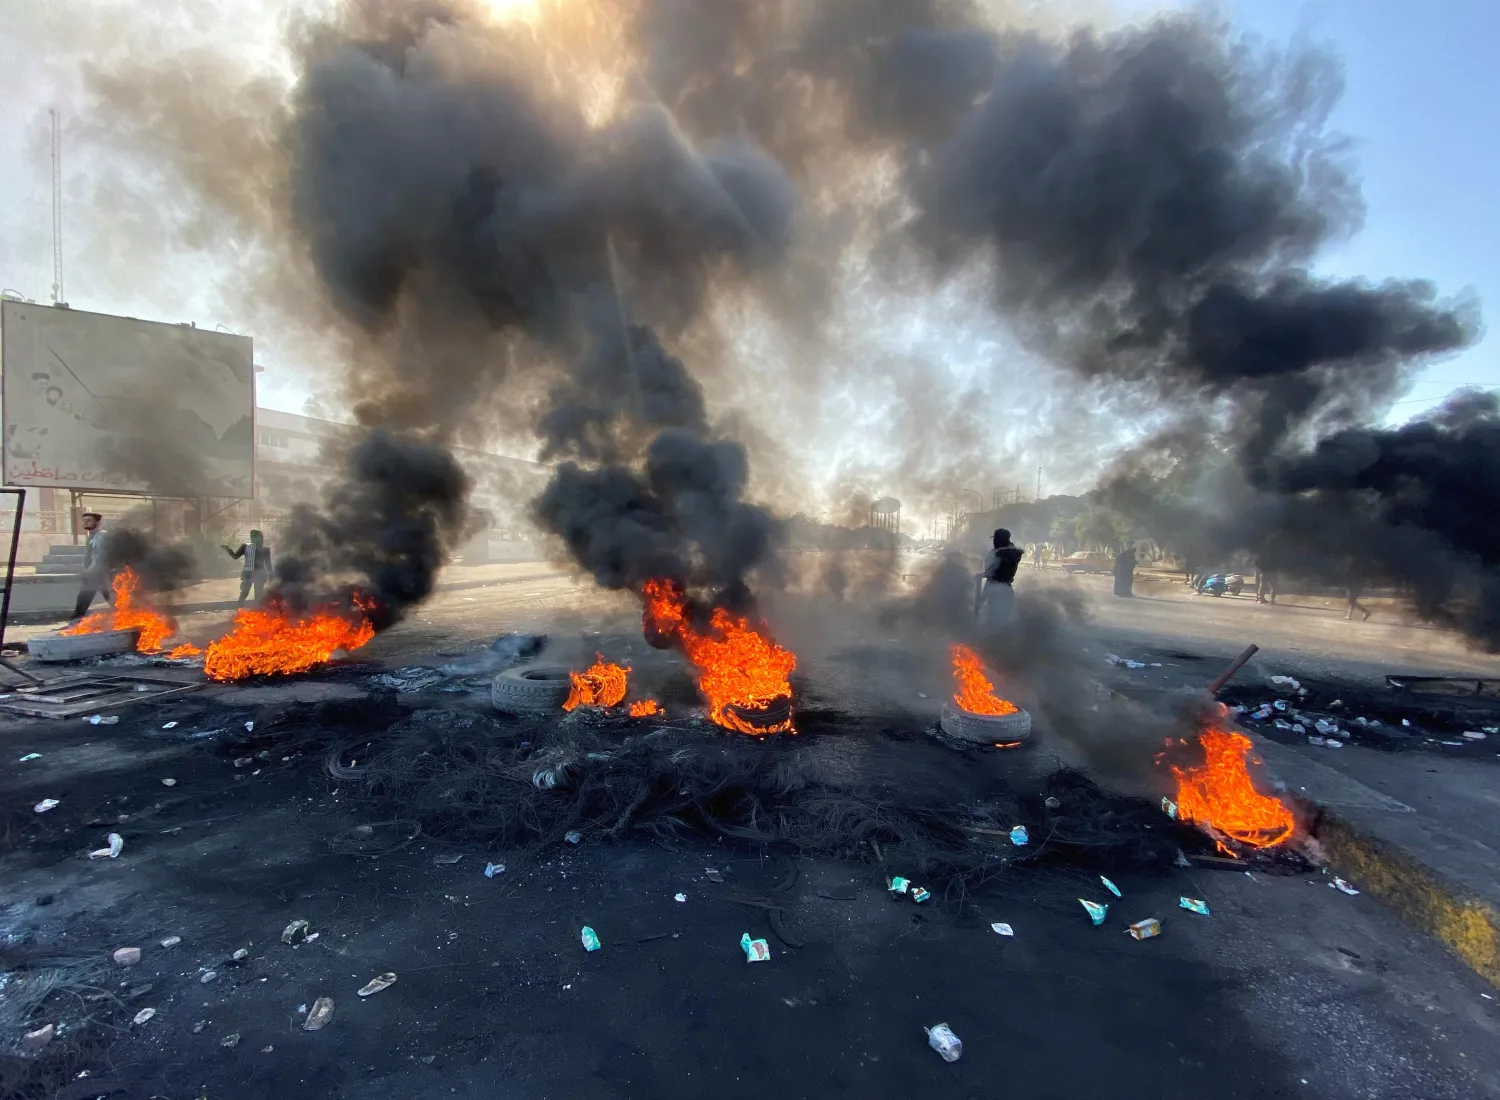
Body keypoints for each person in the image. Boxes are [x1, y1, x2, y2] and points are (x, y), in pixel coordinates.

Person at [976, 528, 1025, 631]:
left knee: (994, 621)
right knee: (1004, 620)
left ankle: (994, 638)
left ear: (999, 540)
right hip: (1006, 590)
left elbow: (993, 572)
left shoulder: (999, 554)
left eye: (995, 539)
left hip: (996, 591)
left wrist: (981, 575)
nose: (994, 542)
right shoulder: (1011, 553)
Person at [71, 511, 112, 620]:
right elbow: (89, 555)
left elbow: (100, 556)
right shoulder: (91, 536)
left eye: (89, 520)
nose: (85, 522)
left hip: (98, 573)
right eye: (84, 520)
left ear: (97, 523)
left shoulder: (101, 535)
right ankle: (128, 614)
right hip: (95, 573)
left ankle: (75, 621)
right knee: (111, 597)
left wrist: (89, 571)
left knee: (84, 598)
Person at [222, 529, 273, 605]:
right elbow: (235, 556)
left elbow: (268, 564)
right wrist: (228, 549)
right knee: (244, 593)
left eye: (255, 536)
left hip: (260, 575)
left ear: (260, 537)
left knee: (258, 595)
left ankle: (257, 609)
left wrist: (271, 576)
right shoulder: (245, 546)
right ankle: (239, 608)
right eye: (251, 536)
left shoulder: (265, 549)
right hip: (248, 574)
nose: (253, 538)